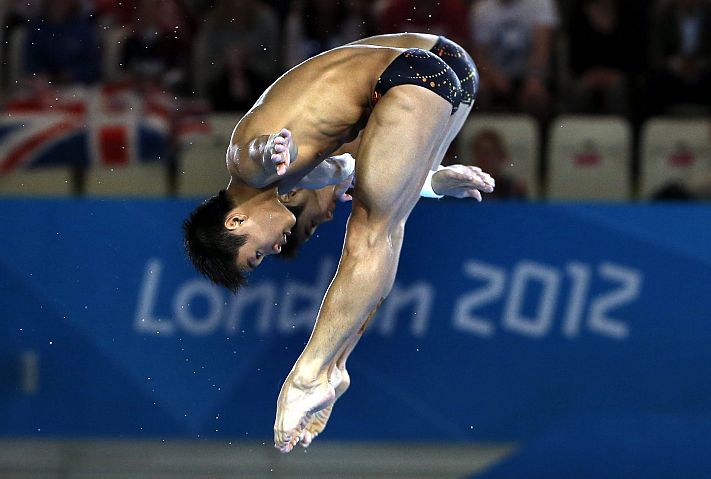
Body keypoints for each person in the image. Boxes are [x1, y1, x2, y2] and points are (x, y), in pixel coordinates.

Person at [182, 35, 494, 453]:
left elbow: (252, 151)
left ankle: (308, 376)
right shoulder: (293, 176)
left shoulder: (249, 168)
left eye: (255, 254)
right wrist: (431, 184)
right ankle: (335, 366)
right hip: (436, 76)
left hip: (413, 75)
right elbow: (358, 169)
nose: (273, 250)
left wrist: (270, 148)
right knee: (386, 228)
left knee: (370, 232)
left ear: (235, 220)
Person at [277, 32, 485, 259]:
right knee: (388, 209)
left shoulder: (302, 154)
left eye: (312, 222)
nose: (328, 217)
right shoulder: (318, 164)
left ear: (291, 194)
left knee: (379, 222)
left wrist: (432, 184)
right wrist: (435, 183)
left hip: (428, 62)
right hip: (442, 65)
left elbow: (380, 168)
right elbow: (394, 168)